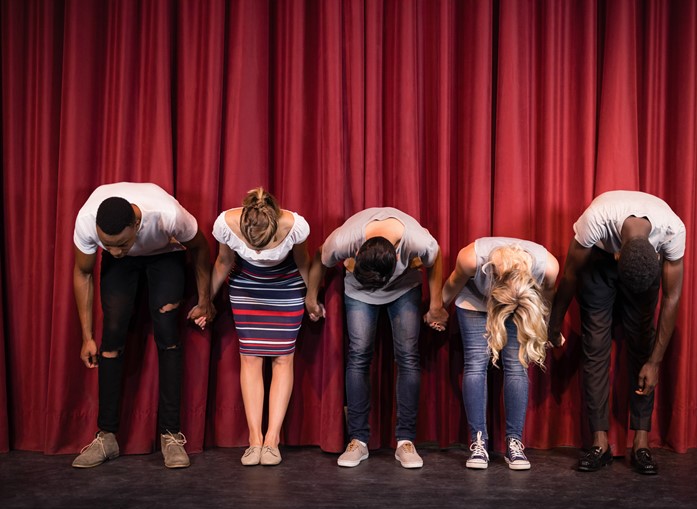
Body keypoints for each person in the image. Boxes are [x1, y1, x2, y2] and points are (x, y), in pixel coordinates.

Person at [72, 182, 214, 469]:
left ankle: (171, 435)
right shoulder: (87, 221)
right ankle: (106, 437)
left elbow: (200, 248)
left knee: (167, 331)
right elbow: (83, 272)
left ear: (137, 224)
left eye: (121, 244)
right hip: (123, 268)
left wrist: (205, 300)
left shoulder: (167, 214)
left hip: (165, 253)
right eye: (107, 245)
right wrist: (87, 337)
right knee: (111, 336)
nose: (115, 251)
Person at [548, 190, 685, 475]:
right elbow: (571, 274)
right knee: (595, 346)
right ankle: (600, 443)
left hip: (643, 266)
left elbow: (671, 298)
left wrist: (655, 362)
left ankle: (641, 443)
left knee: (643, 345)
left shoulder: (673, 230)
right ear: (618, 253)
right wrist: (554, 323)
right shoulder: (596, 219)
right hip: (598, 263)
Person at [305, 208, 447, 469]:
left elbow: (435, 257)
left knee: (408, 357)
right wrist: (311, 298)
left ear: (397, 256)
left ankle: (406, 441)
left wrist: (436, 304)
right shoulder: (344, 240)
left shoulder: (417, 240)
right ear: (357, 252)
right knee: (359, 355)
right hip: (359, 291)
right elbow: (319, 257)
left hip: (404, 288)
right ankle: (358, 440)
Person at [200, 188, 310, 466]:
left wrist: (312, 298)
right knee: (250, 358)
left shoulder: (294, 225)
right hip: (246, 287)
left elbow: (302, 261)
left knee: (283, 358)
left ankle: (272, 440)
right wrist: (205, 302)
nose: (258, 250)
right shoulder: (226, 223)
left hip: (286, 286)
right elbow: (224, 261)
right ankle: (254, 440)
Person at [442, 238, 559, 470]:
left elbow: (548, 297)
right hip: (475, 303)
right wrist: (438, 309)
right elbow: (453, 284)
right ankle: (478, 442)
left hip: (520, 304)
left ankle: (514, 441)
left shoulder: (547, 266)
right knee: (476, 363)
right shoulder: (471, 258)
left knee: (517, 365)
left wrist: (547, 326)